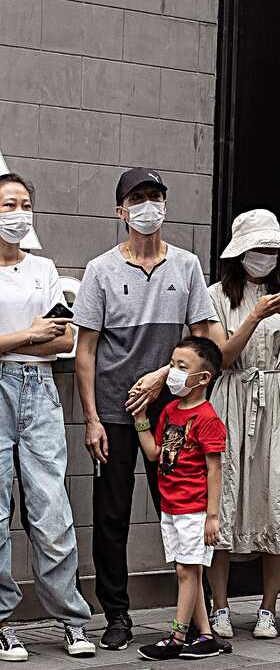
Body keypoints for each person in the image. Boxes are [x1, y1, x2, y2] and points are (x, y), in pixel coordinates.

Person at [74, 168, 221, 651]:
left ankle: (199, 622)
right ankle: (117, 614)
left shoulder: (186, 265)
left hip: (174, 410)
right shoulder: (100, 269)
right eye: (137, 198)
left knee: (181, 510)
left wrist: (163, 375)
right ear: (121, 211)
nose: (147, 205)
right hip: (116, 414)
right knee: (112, 515)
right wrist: (93, 418)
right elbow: (87, 351)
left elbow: (203, 339)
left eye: (154, 196)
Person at [205, 210, 280, 641]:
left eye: (273, 250)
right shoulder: (216, 295)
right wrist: (255, 316)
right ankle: (219, 607)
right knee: (223, 499)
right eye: (260, 249)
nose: (267, 257)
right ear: (240, 253)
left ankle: (268, 608)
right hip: (229, 397)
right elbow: (220, 357)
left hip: (275, 401)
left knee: (279, 496)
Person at [0, 173, 96, 659]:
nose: (18, 213)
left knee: (51, 509)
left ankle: (72, 620)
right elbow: (43, 334)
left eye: (24, 204)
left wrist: (30, 336)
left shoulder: (44, 269)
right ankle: (0, 621)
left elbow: (64, 339)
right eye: (7, 204)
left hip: (38, 388)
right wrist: (30, 333)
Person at [132, 337, 226, 660]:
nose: (172, 372)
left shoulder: (208, 418)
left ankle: (176, 636)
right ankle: (205, 636)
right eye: (172, 364)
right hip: (170, 507)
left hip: (194, 509)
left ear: (204, 378)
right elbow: (154, 453)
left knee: (188, 571)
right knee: (188, 571)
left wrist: (212, 516)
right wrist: (140, 417)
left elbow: (215, 470)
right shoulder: (170, 411)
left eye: (181, 367)